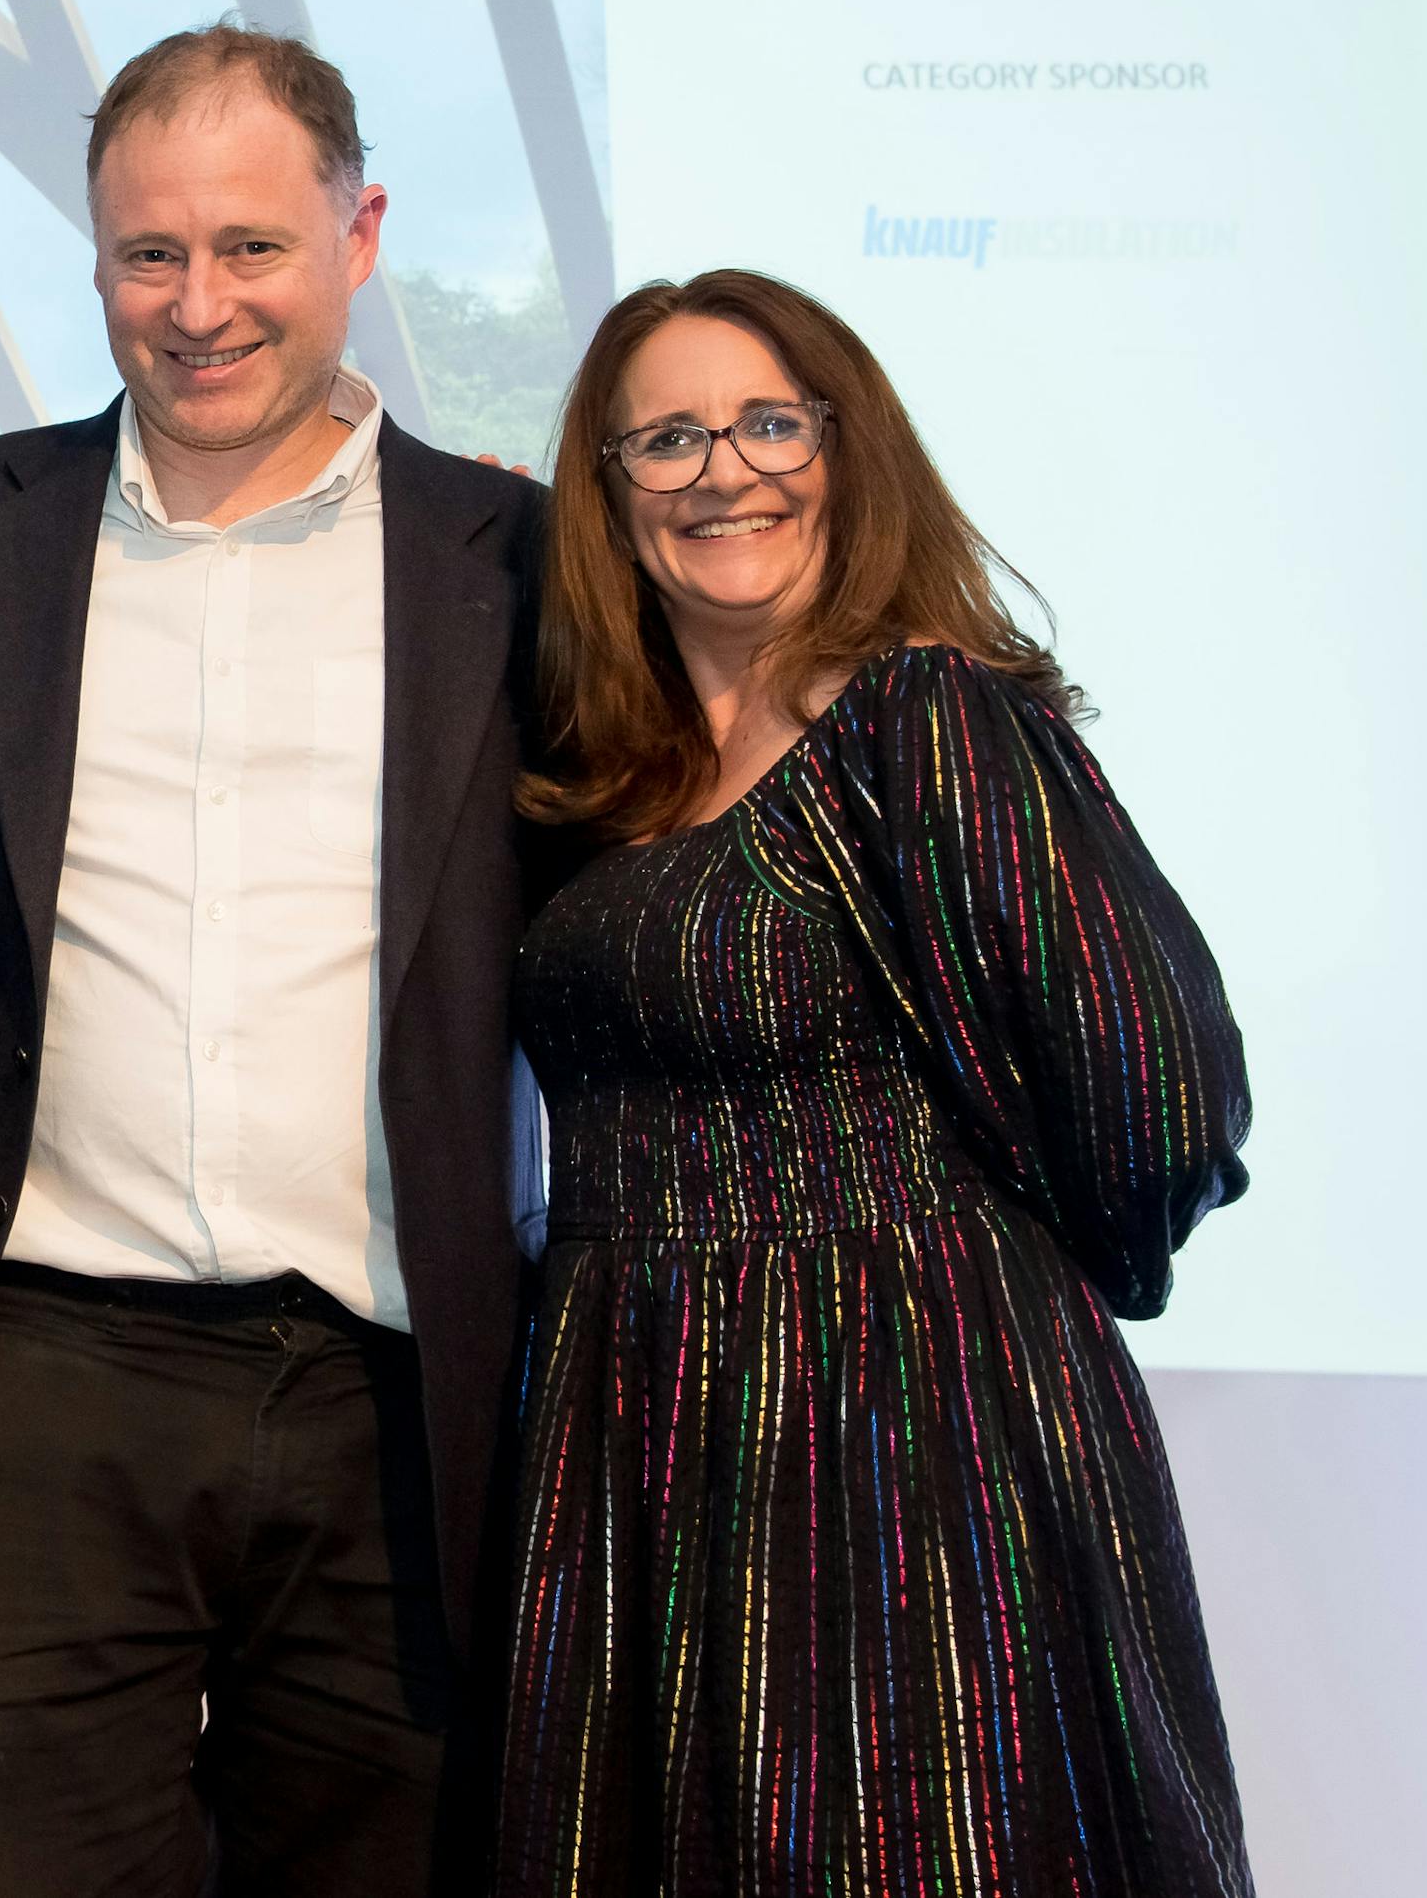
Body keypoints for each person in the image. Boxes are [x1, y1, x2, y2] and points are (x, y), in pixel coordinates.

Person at [0, 23, 546, 1896]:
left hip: (403, 1400)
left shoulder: (531, 558)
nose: (199, 303)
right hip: (37, 1372)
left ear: (360, 232)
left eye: (252, 247)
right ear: (96, 261)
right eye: (149, 254)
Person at [496, 268, 1252, 1895]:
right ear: (609, 495)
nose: (725, 472)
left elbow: (1161, 1082)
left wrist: (965, 1268)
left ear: (850, 447)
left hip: (900, 1431)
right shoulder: (600, 775)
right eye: (668, 440)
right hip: (632, 1419)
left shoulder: (930, 717)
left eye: (771, 422)